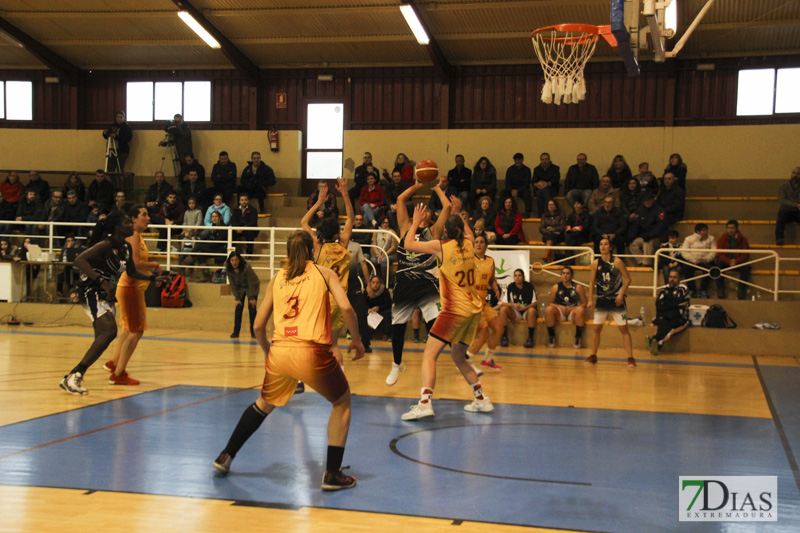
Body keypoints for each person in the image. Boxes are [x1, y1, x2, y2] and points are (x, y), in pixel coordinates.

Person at [212, 230, 365, 492]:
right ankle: (332, 474)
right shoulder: (325, 273)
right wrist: (357, 340)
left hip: (281, 351)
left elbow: (259, 325)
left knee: (264, 404)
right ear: (311, 251)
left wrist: (267, 353)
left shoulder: (277, 278)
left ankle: (226, 455)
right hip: (311, 351)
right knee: (342, 402)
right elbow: (348, 308)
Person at [58, 210, 167, 395]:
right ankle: (75, 375)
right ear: (117, 226)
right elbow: (79, 260)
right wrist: (102, 282)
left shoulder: (125, 247)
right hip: (90, 290)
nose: (131, 225)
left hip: (106, 293)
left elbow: (131, 272)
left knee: (104, 337)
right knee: (110, 331)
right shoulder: (106, 245)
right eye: (127, 222)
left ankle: (73, 376)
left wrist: (153, 279)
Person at [400, 205, 493, 420]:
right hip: (473, 311)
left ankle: (424, 403)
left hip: (454, 311)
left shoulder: (441, 246)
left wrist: (415, 222)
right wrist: (460, 213)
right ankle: (480, 399)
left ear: (445, 232)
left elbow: (408, 245)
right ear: (462, 229)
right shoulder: (470, 243)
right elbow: (469, 232)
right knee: (459, 356)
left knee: (429, 355)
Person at [385, 178, 450, 387]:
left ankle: (438, 360)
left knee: (435, 326)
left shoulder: (434, 232)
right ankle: (396, 364)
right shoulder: (406, 228)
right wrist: (417, 184)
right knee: (397, 327)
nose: (424, 210)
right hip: (404, 283)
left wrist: (435, 186)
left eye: (427, 209)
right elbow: (400, 199)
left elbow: (447, 206)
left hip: (427, 285)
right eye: (421, 208)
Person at [103, 205, 163, 385]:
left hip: (129, 286)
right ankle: (119, 374)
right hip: (131, 287)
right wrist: (154, 265)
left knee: (128, 329)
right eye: (144, 215)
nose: (148, 218)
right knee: (137, 331)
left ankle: (113, 363)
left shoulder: (135, 236)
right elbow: (135, 264)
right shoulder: (133, 235)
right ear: (133, 219)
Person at [301, 177, 354, 367]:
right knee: (333, 344)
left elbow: (304, 221)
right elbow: (350, 217)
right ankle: (338, 375)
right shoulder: (344, 244)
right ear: (338, 233)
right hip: (340, 300)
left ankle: (301, 376)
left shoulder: (318, 246)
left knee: (307, 340)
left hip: (321, 300)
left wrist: (319, 202)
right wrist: (345, 194)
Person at [586, 237, 635, 367]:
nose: (603, 246)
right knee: (596, 328)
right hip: (601, 300)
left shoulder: (617, 262)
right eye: (601, 244)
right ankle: (593, 355)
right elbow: (591, 282)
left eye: (606, 244)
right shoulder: (595, 263)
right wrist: (590, 299)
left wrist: (621, 294)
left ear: (610, 247)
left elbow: (628, 279)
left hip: (616, 300)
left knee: (623, 328)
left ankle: (630, 357)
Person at [465, 234, 505, 370]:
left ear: (486, 245)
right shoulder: (469, 260)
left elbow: (492, 279)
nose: (479, 244)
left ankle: (487, 359)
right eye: (476, 242)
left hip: (483, 301)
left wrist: (495, 287)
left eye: (482, 242)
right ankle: (465, 360)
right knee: (483, 334)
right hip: (473, 302)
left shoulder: (490, 261)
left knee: (499, 327)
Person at [646, 269, 690, 356]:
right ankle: (658, 344)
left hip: (680, 319)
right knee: (664, 322)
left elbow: (678, 303)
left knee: (666, 324)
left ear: (679, 278)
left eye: (674, 277)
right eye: (670, 277)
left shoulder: (683, 289)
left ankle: (654, 340)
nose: (672, 279)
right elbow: (658, 304)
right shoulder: (664, 289)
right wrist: (671, 303)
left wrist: (666, 303)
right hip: (666, 317)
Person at [545, 265, 587, 348]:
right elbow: (550, 303)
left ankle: (578, 337)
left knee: (581, 310)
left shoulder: (578, 287)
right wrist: (560, 307)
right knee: (548, 309)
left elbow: (584, 303)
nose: (565, 275)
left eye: (568, 273)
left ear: (571, 275)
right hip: (560, 312)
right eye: (563, 273)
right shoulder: (556, 287)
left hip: (573, 311)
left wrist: (572, 308)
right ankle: (551, 336)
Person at [499, 268, 537, 349]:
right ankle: (504, 337)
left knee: (532, 310)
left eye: (519, 275)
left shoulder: (529, 286)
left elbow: (534, 303)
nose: (517, 277)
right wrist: (513, 305)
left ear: (523, 277)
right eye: (515, 276)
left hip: (526, 311)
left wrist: (525, 307)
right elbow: (504, 303)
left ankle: (530, 338)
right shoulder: (510, 287)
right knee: (503, 309)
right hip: (515, 312)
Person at [225, 251, 260, 338]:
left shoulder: (246, 267)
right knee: (238, 308)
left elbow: (251, 282)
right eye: (232, 260)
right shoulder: (229, 269)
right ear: (230, 261)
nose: (234, 263)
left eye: (236, 260)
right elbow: (233, 284)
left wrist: (252, 297)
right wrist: (237, 297)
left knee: (252, 309)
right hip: (240, 287)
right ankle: (236, 332)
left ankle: (254, 332)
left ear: (239, 260)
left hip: (252, 286)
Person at [627, 192, 666, 267]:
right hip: (644, 236)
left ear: (653, 200)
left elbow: (661, 226)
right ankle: (641, 261)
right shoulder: (641, 210)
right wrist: (631, 236)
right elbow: (636, 224)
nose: (647, 202)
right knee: (633, 244)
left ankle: (646, 264)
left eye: (649, 200)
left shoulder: (660, 210)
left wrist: (651, 235)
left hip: (656, 237)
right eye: (645, 200)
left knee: (647, 243)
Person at [714, 219, 751, 300]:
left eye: (732, 228)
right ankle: (720, 289)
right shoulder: (721, 239)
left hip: (737, 261)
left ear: (736, 229)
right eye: (728, 228)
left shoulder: (743, 240)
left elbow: (746, 254)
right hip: (725, 261)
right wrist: (729, 261)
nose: (730, 230)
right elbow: (719, 254)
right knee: (717, 266)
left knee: (746, 267)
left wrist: (736, 261)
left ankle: (741, 290)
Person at [681, 223, 714, 298]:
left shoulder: (711, 239)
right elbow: (684, 252)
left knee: (710, 269)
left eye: (706, 230)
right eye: (703, 230)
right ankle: (692, 290)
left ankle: (703, 290)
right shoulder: (688, 239)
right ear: (698, 231)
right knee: (686, 267)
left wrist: (706, 259)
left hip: (705, 261)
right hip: (693, 261)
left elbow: (713, 251)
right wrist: (693, 260)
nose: (706, 232)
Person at [365, 275, 392, 348]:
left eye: (377, 282)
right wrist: (368, 309)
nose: (375, 285)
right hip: (371, 311)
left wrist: (379, 308)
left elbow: (388, 304)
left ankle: (386, 335)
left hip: (382, 310)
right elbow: (364, 303)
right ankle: (367, 334)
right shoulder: (367, 291)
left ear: (380, 283)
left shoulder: (384, 291)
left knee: (388, 313)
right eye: (373, 282)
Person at [776, 166, 800, 245]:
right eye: (794, 173)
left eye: (798, 174)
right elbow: (783, 201)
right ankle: (779, 238)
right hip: (786, 210)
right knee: (782, 215)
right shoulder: (783, 187)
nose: (795, 176)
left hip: (798, 211)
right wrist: (796, 205)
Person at [532, 152, 560, 217]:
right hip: (539, 189)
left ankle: (545, 214)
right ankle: (544, 214)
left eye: (546, 159)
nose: (544, 161)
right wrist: (538, 184)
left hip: (552, 189)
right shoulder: (536, 169)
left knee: (544, 191)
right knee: (540, 192)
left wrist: (546, 184)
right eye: (542, 159)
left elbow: (555, 180)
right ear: (540, 160)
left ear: (549, 159)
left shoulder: (555, 168)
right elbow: (533, 181)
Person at [504, 153, 532, 218]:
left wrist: (518, 191)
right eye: (516, 160)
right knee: (503, 192)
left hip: (522, 190)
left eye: (519, 160)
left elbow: (527, 183)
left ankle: (527, 212)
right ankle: (501, 211)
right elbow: (507, 182)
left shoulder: (527, 170)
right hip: (512, 190)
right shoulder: (510, 169)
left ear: (522, 160)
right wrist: (512, 190)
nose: (517, 161)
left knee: (527, 192)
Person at [539, 199, 566, 263]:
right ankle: (552, 259)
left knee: (552, 237)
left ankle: (546, 255)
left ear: (556, 206)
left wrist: (554, 229)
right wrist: (551, 232)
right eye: (549, 205)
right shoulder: (544, 215)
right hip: (547, 235)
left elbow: (562, 227)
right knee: (551, 237)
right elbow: (541, 228)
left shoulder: (561, 215)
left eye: (552, 205)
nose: (551, 206)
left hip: (559, 235)